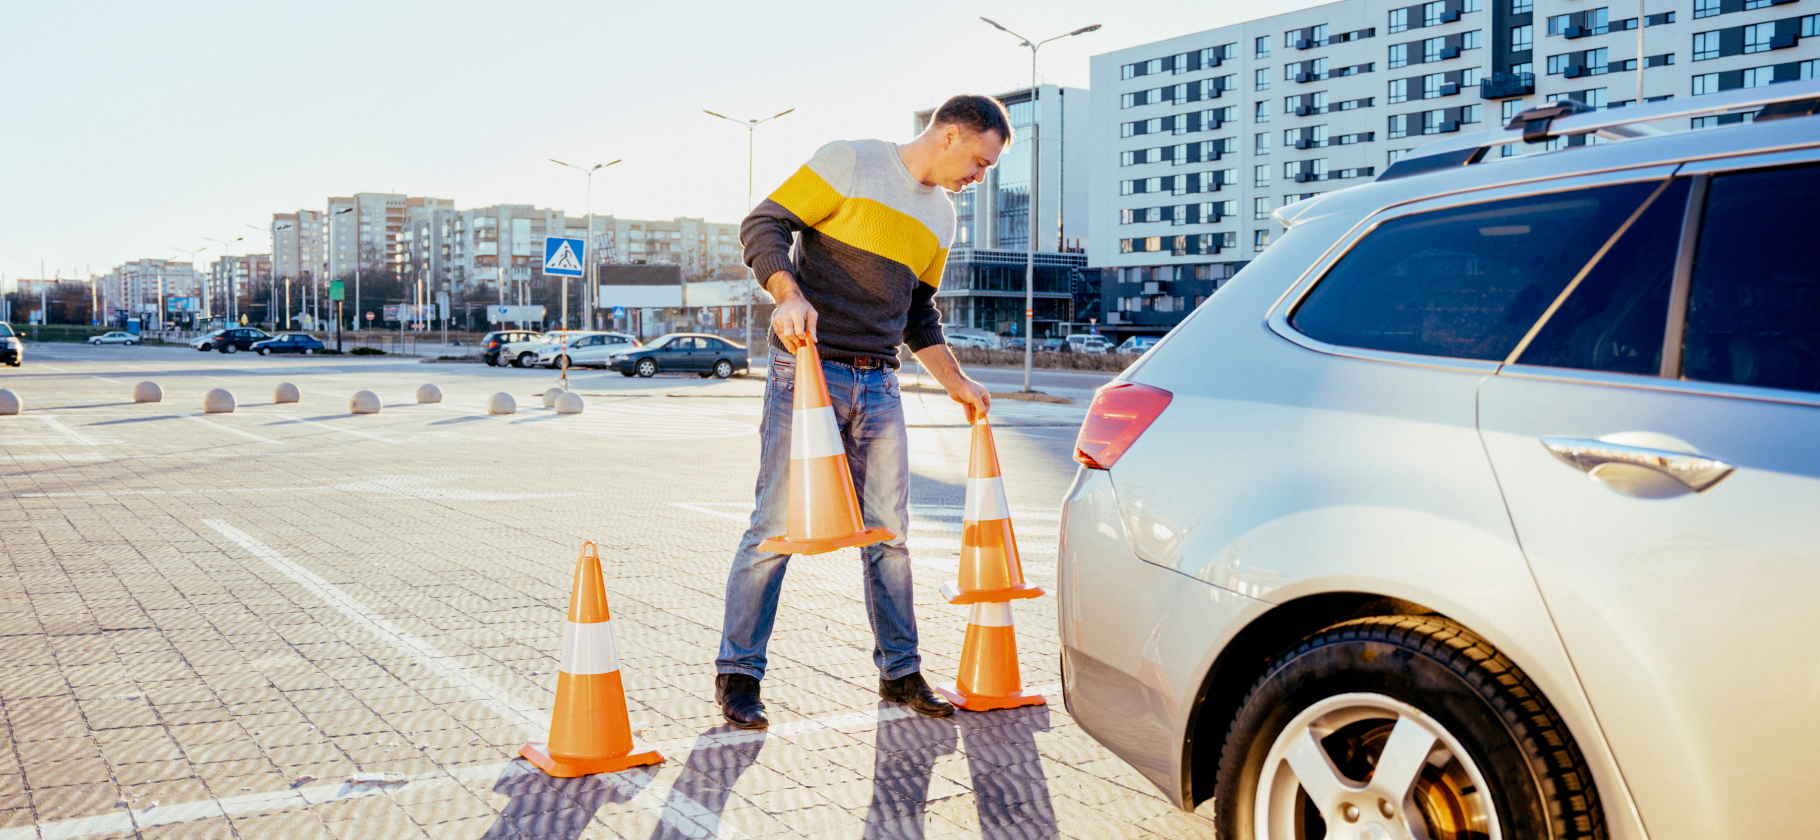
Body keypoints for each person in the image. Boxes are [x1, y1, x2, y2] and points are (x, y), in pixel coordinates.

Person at [714, 95, 1010, 729]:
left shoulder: (943, 217)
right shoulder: (852, 162)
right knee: (774, 525)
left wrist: (956, 381)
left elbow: (918, 315)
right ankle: (739, 675)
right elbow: (762, 225)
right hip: (808, 372)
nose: (979, 178)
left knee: (889, 534)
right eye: (979, 162)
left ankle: (900, 674)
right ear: (950, 134)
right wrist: (787, 295)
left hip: (879, 383)